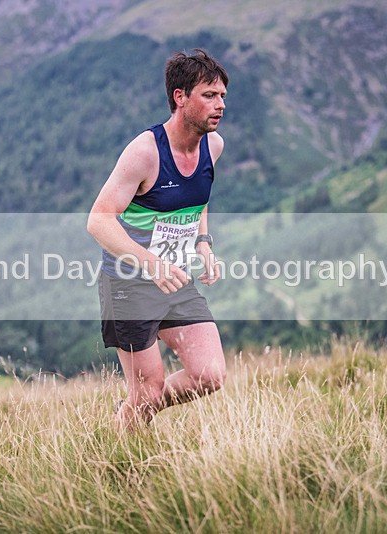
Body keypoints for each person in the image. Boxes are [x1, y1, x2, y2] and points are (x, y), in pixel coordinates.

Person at [87, 48, 229, 431]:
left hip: (175, 279)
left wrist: (203, 242)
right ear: (180, 97)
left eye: (222, 97)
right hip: (129, 284)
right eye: (209, 95)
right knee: (148, 390)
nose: (220, 106)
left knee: (210, 374)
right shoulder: (145, 152)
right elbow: (98, 221)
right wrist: (149, 261)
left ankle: (132, 409)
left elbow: (197, 200)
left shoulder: (212, 146)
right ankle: (122, 450)